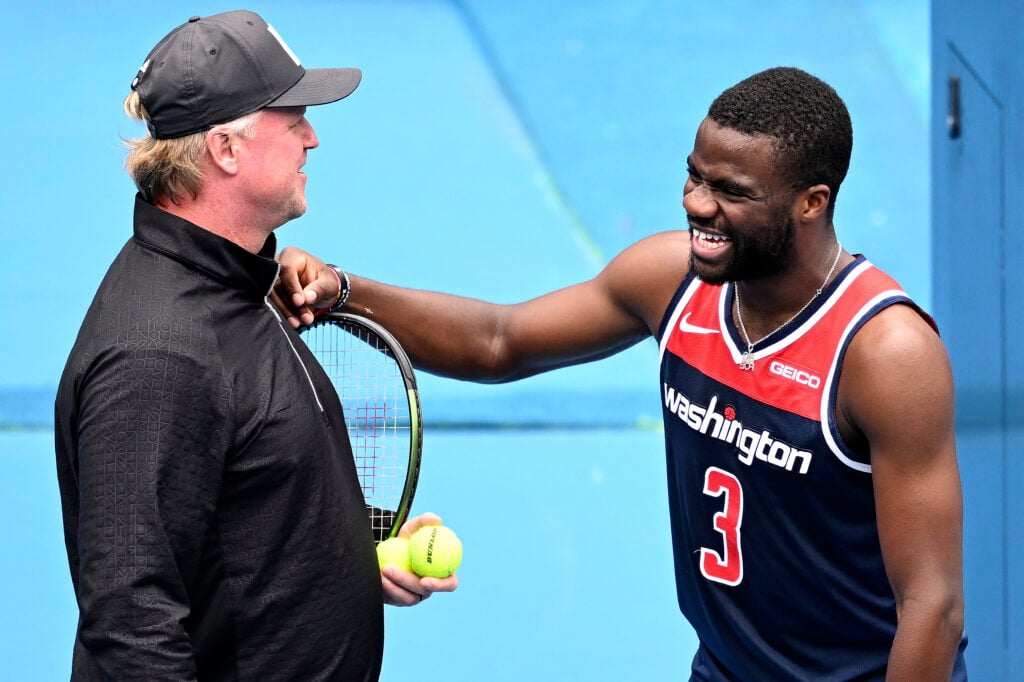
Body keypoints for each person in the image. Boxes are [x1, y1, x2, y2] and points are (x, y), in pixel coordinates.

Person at [274, 67, 968, 680]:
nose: (697, 204)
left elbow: (932, 606)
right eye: (695, 176)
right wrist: (342, 289)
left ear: (811, 202)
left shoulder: (884, 353)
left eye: (731, 191)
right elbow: (498, 341)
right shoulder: (673, 280)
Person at [54, 11, 455, 681]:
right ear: (226, 149)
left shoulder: (240, 283)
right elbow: (131, 624)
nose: (313, 137)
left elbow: (241, 497)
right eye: (293, 119)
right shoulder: (157, 356)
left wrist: (356, 550)